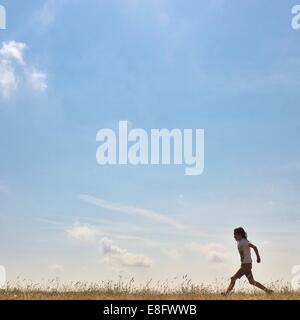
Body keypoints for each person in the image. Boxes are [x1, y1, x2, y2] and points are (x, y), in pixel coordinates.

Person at [223, 227, 273, 295]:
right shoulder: (240, 242)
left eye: (235, 234)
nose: (234, 236)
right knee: (252, 282)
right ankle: (268, 291)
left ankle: (226, 294)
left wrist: (258, 257)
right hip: (246, 265)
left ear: (240, 234)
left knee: (233, 278)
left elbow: (254, 247)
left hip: (246, 266)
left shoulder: (244, 242)